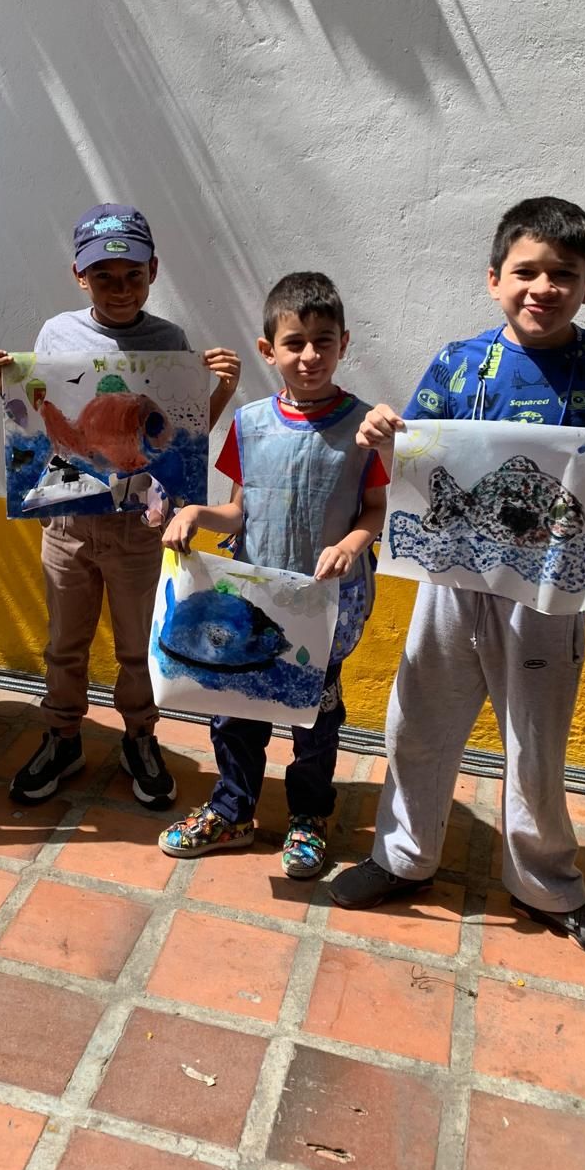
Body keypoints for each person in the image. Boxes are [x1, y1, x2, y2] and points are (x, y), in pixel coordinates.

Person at [331, 196, 585, 961]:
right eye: (527, 271)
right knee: (418, 723)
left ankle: (548, 884)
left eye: (563, 274)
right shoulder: (457, 362)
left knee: (535, 743)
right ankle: (401, 857)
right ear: (493, 279)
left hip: (551, 592)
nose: (543, 286)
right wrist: (380, 432)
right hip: (451, 583)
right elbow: (410, 458)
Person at [0, 204, 240, 810]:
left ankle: (140, 736)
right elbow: (46, 430)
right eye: (104, 277)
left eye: (132, 276)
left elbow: (181, 438)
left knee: (136, 646)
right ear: (80, 275)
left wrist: (221, 389)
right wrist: (8, 389)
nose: (120, 289)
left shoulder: (169, 342)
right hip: (67, 526)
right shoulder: (56, 335)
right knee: (63, 644)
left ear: (153, 270)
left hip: (140, 529)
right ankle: (62, 735)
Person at [156, 271, 388, 878]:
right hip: (253, 603)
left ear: (344, 344)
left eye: (324, 341)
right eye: (295, 342)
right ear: (269, 350)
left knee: (314, 716)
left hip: (324, 604)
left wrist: (351, 544)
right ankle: (233, 808)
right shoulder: (250, 423)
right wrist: (197, 513)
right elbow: (239, 507)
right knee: (235, 709)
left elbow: (375, 510)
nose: (310, 355)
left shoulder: (363, 428)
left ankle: (309, 815)